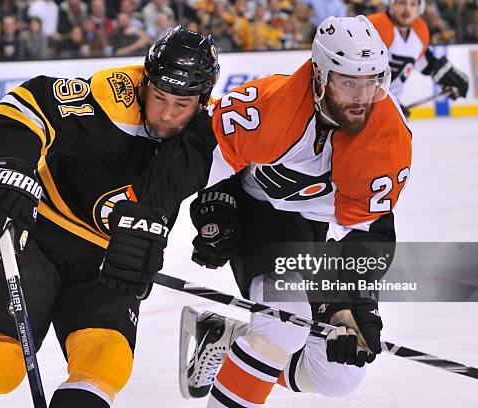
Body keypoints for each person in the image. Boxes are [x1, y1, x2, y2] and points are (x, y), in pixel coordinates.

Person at [0, 26, 219, 408]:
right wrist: (9, 170)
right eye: (158, 96)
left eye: (180, 105)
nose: (164, 114)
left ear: (202, 101)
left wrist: (215, 219)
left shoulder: (205, 134)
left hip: (110, 259)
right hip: (38, 240)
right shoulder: (109, 99)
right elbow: (23, 108)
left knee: (106, 361)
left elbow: (229, 180)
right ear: (146, 82)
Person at [178, 15, 412, 406]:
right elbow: (199, 166)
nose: (360, 96)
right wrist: (212, 215)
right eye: (348, 81)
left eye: (371, 81)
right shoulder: (270, 106)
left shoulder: (386, 132)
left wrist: (354, 308)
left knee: (339, 377)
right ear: (319, 76)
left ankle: (225, 339)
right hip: (263, 223)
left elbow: (368, 229)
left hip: (320, 239)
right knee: (281, 328)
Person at [368, 0, 469, 116]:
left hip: (389, 107)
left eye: (413, 4)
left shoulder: (419, 30)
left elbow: (422, 61)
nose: (407, 9)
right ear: (392, 4)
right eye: (402, 3)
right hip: (363, 107)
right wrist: (385, 104)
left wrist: (444, 74)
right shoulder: (374, 26)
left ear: (419, 8)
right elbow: (358, 73)